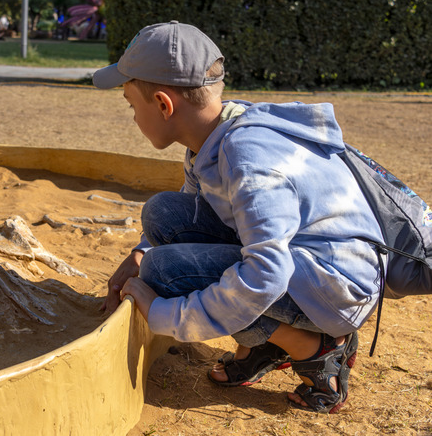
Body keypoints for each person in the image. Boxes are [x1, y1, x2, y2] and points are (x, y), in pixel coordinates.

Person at [93, 21, 383, 414]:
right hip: (311, 261)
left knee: (166, 273)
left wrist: (161, 312)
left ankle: (315, 348)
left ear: (164, 104)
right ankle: (265, 341)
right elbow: (196, 208)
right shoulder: (217, 133)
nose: (131, 117)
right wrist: (142, 251)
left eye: (131, 104)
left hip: (336, 289)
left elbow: (267, 272)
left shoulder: (247, 161)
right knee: (162, 216)